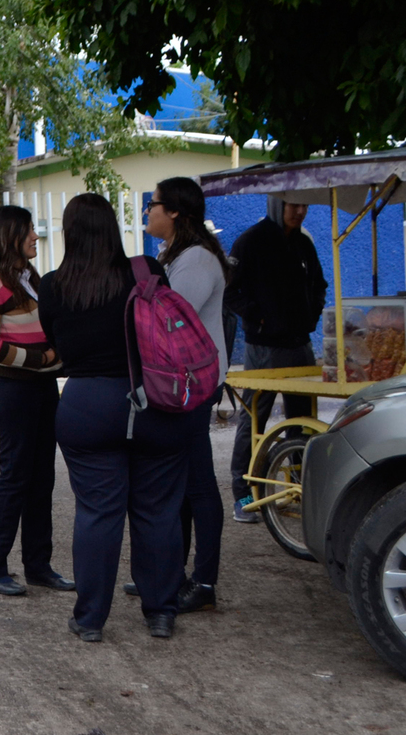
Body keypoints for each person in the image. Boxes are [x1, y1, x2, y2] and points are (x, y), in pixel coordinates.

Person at [40, 193, 187, 642]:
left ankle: (89, 620)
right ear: (112, 227)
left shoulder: (52, 286)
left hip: (86, 404)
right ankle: (161, 612)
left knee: (97, 513)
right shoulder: (147, 271)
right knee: (158, 510)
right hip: (152, 402)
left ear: (68, 232)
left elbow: (58, 346)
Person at [131, 177, 231, 613]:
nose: (147, 212)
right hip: (183, 385)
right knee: (183, 483)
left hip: (193, 385)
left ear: (173, 211)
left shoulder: (194, 262)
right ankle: (172, 574)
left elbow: (165, 322)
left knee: (199, 486)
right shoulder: (177, 255)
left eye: (152, 205)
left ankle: (204, 584)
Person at [0, 206, 71, 597]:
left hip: (42, 387)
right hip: (13, 389)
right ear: (11, 233)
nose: (36, 236)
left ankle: (38, 565)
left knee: (42, 476)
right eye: (30, 229)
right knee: (15, 477)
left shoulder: (27, 276)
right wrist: (42, 359)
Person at [224, 196, 326, 523]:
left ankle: (299, 487)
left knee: (302, 420)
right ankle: (243, 492)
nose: (299, 211)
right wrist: (259, 319)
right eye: (293, 204)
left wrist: (311, 317)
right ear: (275, 204)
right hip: (264, 349)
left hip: (301, 346)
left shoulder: (304, 244)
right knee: (254, 417)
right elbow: (231, 290)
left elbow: (320, 285)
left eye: (304, 205)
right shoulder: (251, 241)